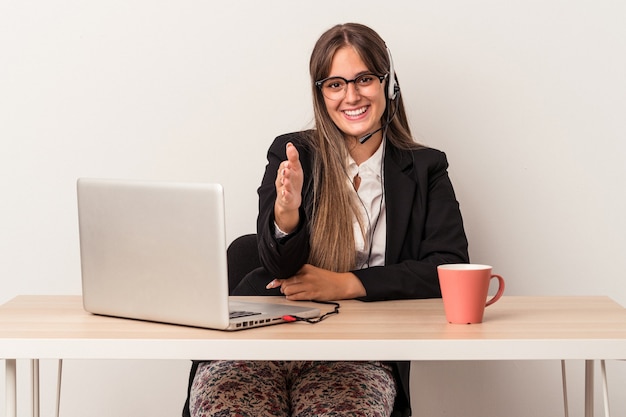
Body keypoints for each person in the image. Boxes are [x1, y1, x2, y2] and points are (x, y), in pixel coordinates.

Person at [184, 22, 469, 417]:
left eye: (364, 79)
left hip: (358, 356)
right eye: (335, 84)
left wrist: (346, 283)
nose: (351, 96)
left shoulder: (425, 168)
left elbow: (449, 268)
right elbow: (278, 264)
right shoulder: (293, 153)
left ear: (389, 84)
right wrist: (287, 213)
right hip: (260, 344)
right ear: (320, 93)